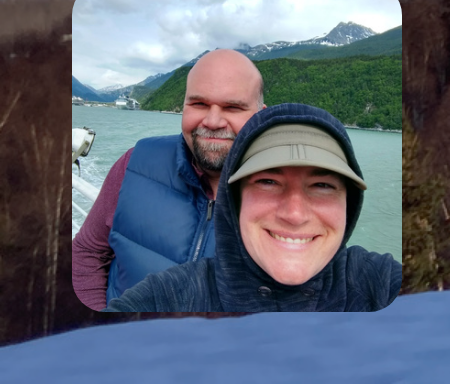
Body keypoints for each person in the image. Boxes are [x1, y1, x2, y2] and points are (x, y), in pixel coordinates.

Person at [106, 102, 401, 312]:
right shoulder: (171, 297)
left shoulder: (379, 284)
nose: (295, 214)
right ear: (235, 200)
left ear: (349, 202)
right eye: (268, 181)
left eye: (322, 185)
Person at [73, 48, 264, 310]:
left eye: (233, 107)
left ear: (261, 115)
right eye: (199, 104)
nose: (213, 121)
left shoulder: (288, 193)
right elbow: (87, 252)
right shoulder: (135, 163)